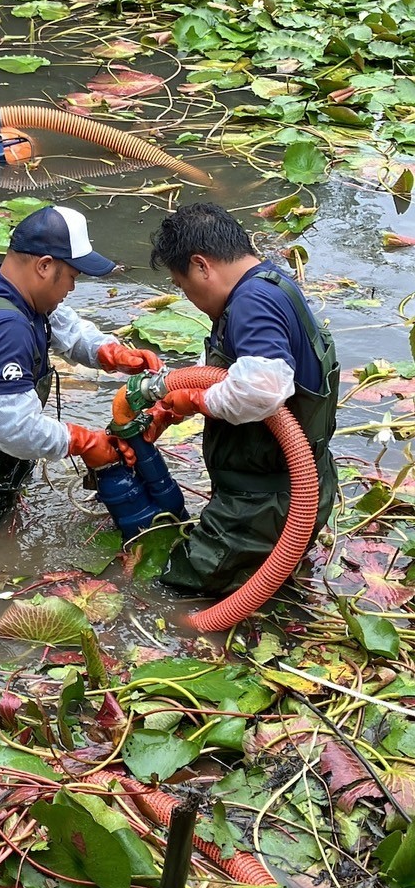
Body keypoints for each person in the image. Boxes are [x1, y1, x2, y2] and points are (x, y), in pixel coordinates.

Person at [0, 204, 161, 523]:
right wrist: (85, 442)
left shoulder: (0, 283)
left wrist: (113, 354)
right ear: (44, 266)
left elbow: (65, 326)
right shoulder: (6, 331)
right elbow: (15, 430)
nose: (71, 289)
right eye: (71, 277)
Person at [146, 202, 339, 594]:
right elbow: (234, 373)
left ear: (201, 265)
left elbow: (262, 388)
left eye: (184, 287)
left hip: (267, 504)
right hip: (296, 488)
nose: (188, 297)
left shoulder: (252, 303)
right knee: (264, 588)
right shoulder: (269, 281)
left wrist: (197, 403)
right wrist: (179, 394)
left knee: (174, 592)